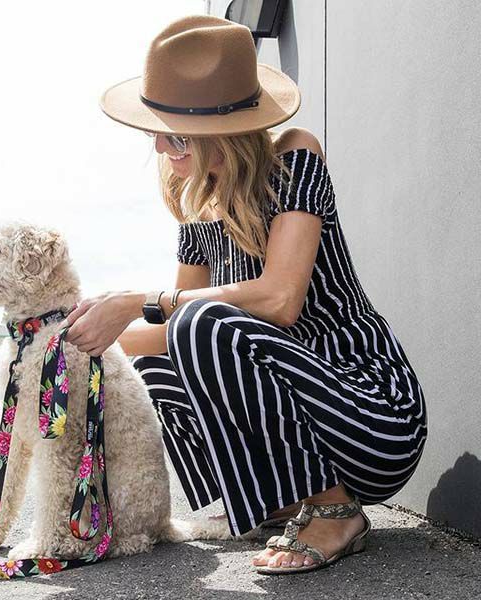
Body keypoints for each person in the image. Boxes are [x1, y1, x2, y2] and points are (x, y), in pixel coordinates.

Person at [63, 14, 428, 575]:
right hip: (305, 419)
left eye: (176, 134)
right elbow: (168, 335)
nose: (159, 145)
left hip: (369, 413)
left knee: (200, 322)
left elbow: (281, 299)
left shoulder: (294, 158)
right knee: (152, 366)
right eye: (156, 131)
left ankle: (333, 508)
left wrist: (134, 301)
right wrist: (70, 339)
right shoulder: (197, 207)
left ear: (225, 131)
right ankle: (282, 501)